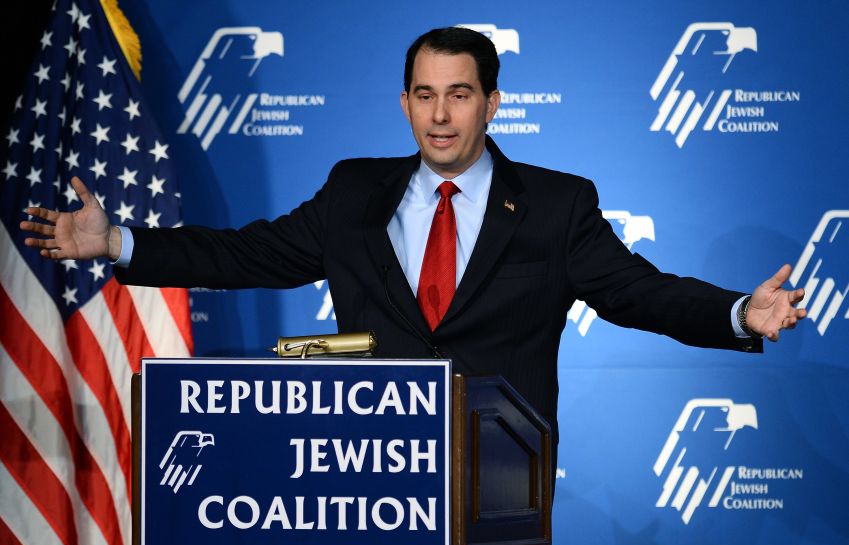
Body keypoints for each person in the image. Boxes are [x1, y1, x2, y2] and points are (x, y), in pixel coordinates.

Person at [20, 27, 806, 470]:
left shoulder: (554, 204)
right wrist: (118, 241)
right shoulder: (354, 190)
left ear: (492, 104)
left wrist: (737, 311)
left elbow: (637, 291)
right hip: (366, 477)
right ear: (403, 101)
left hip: (496, 483)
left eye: (458, 94)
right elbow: (245, 257)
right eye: (424, 95)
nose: (439, 115)